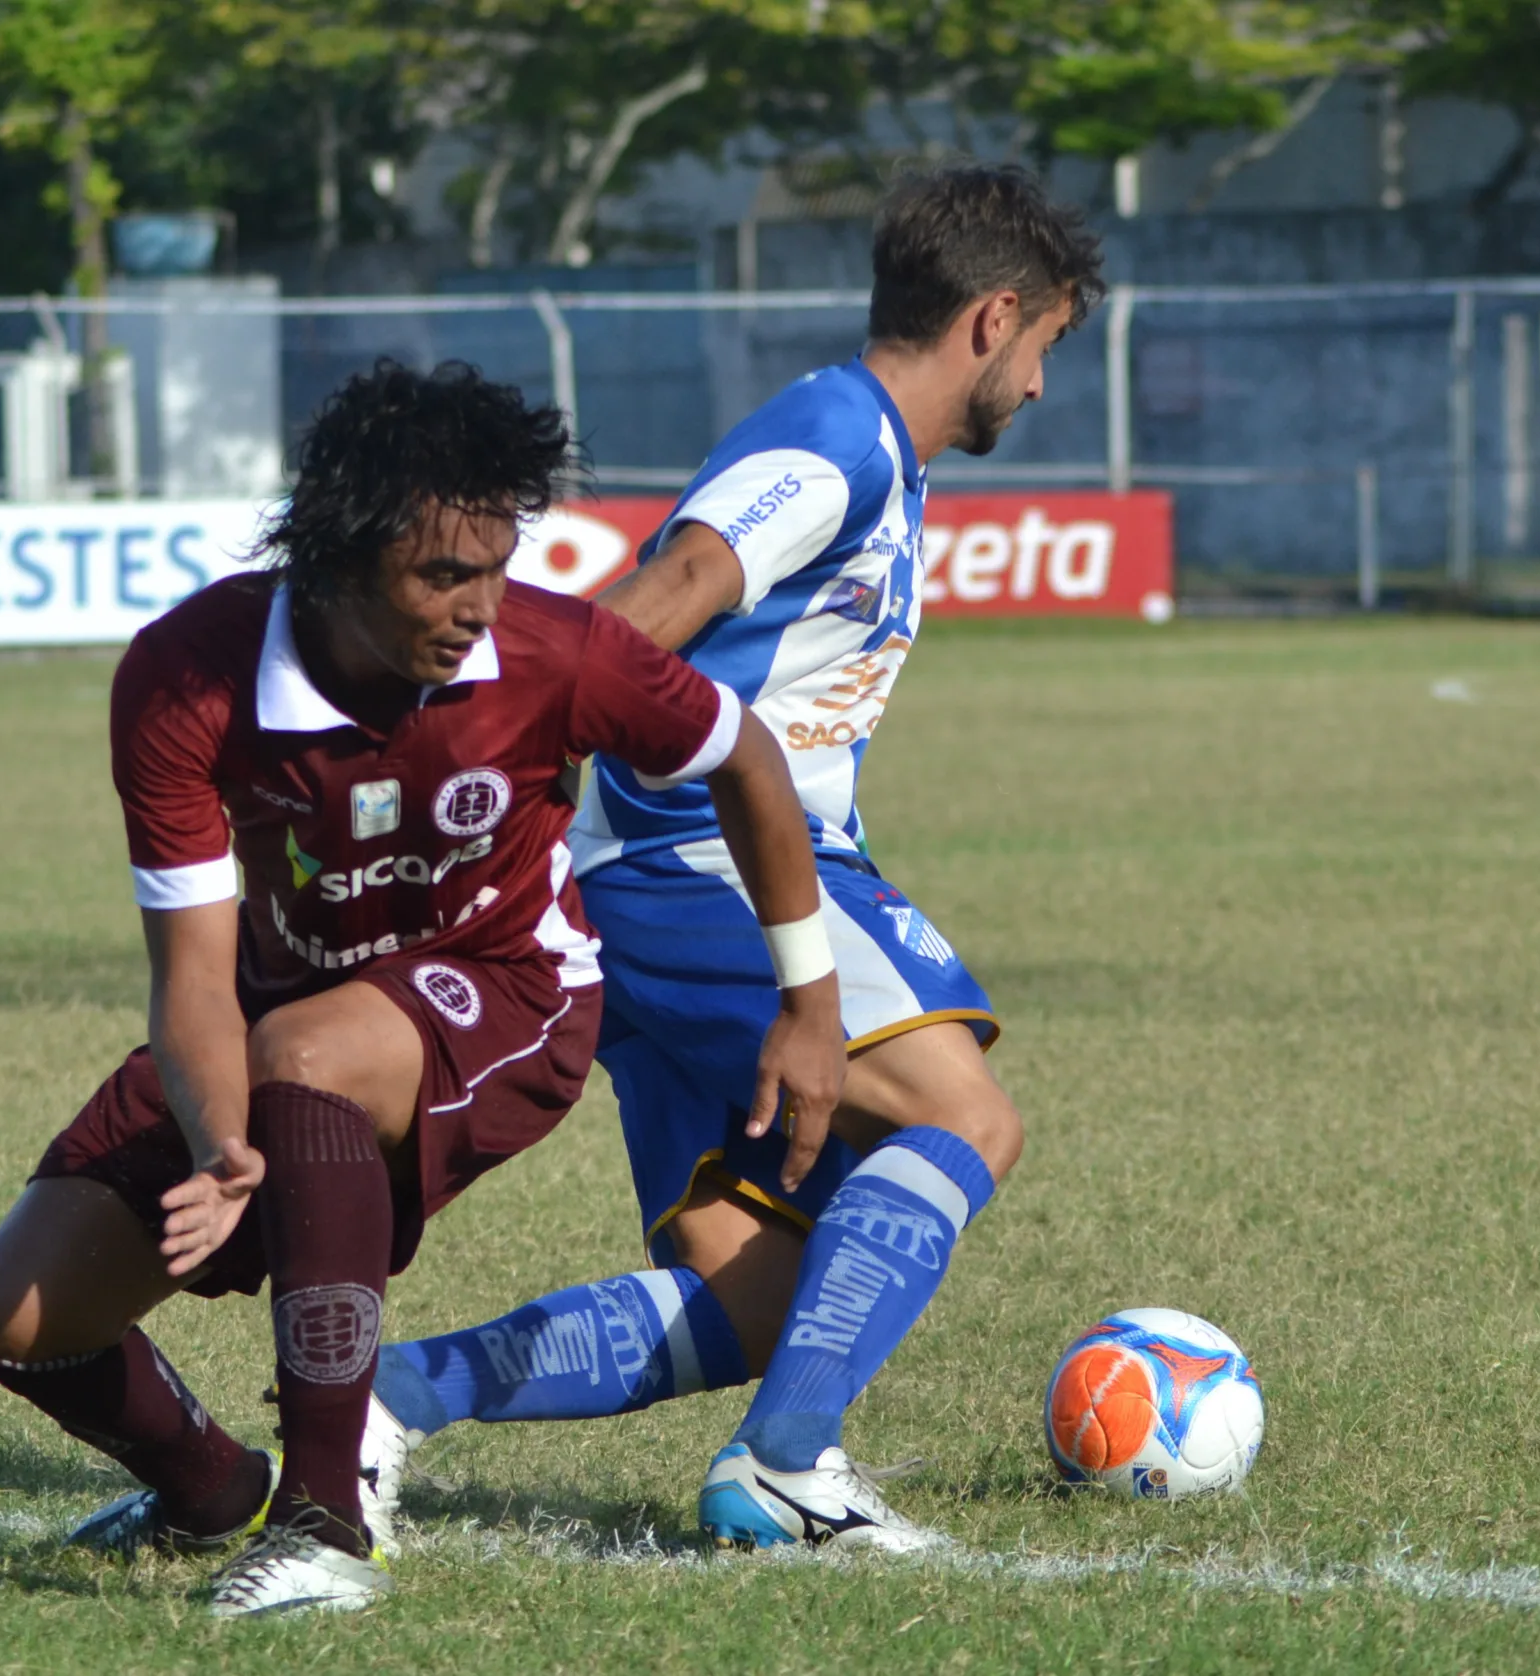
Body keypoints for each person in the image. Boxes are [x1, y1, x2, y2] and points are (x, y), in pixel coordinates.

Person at [0, 359, 847, 1616]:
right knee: (17, 1315)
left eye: (496, 562)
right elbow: (196, 975)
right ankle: (216, 1491)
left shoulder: (555, 651)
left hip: (514, 992)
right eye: (442, 574)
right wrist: (217, 1146)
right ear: (335, 556)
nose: (481, 602)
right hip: (272, 1027)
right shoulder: (186, 678)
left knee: (306, 1054)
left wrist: (809, 1000)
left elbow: (744, 754)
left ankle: (326, 1523)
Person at [363, 166, 1107, 1552]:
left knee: (750, 1292)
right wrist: (504, 771)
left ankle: (388, 1398)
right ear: (995, 319)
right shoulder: (840, 440)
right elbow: (662, 599)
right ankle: (784, 1467)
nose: (1044, 389)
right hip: (693, 859)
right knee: (968, 1118)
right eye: (1051, 347)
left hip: (645, 881)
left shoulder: (873, 448)